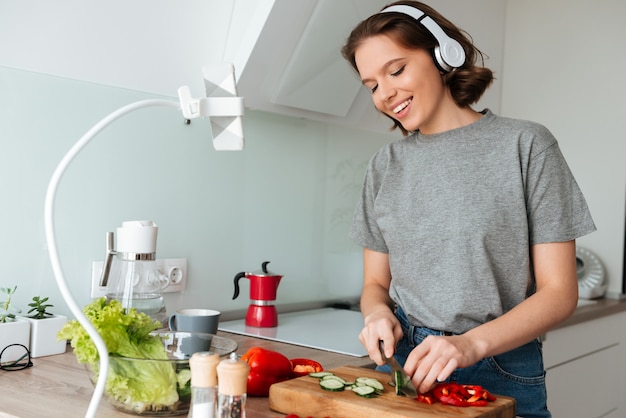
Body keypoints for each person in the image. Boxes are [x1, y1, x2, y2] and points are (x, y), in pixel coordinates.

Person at [341, 1, 596, 417]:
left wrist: (469, 344)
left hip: (501, 364)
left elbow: (559, 293)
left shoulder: (526, 145)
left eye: (396, 70)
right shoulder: (384, 165)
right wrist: (376, 316)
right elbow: (375, 284)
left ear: (444, 56)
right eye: (371, 84)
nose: (384, 94)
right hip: (409, 364)